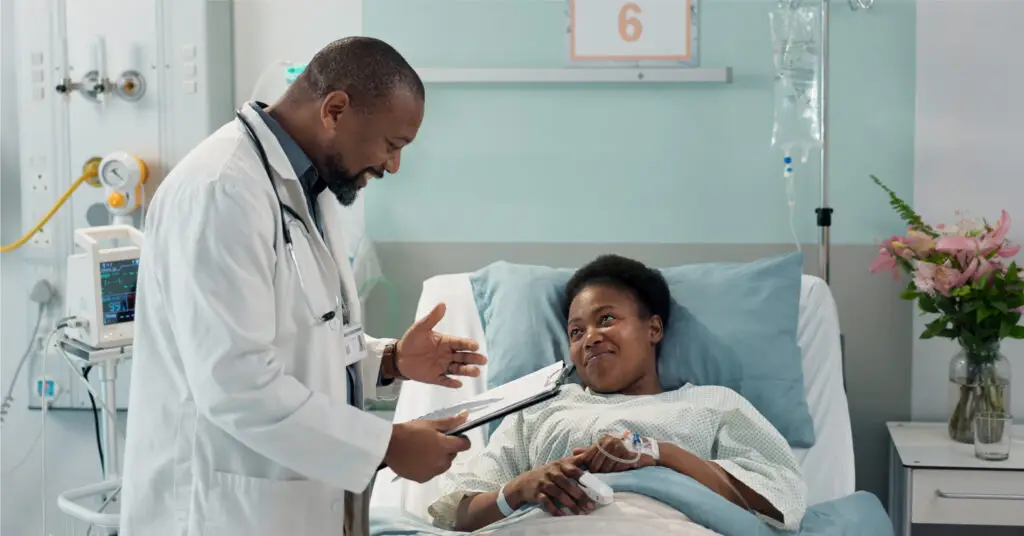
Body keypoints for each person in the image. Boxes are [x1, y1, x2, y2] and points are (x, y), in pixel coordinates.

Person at [119, 37, 487, 536]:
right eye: (391, 144)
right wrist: (389, 445)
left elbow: (305, 339)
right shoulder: (221, 190)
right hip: (217, 511)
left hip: (288, 506)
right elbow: (236, 385)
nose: (393, 165)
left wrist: (391, 360)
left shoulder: (309, 190)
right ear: (335, 109)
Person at [428, 254, 807, 533]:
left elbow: (777, 500)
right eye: (576, 332)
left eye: (606, 319)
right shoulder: (539, 411)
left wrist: (657, 453)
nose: (590, 338)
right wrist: (521, 488)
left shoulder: (713, 403)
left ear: (653, 329)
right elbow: (458, 514)